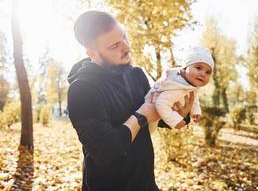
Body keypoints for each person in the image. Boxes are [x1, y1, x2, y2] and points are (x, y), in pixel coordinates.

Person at [67, 11, 194, 191]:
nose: (126, 47)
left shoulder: (136, 75)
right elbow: (105, 152)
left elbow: (155, 114)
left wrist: (176, 113)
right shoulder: (81, 89)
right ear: (92, 53)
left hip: (146, 184)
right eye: (114, 46)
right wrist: (141, 116)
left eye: (124, 36)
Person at [146, 46, 214, 133]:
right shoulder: (176, 87)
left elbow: (194, 99)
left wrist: (195, 111)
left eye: (208, 72)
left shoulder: (190, 86)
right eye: (198, 68)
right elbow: (161, 104)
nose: (203, 74)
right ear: (185, 68)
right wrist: (175, 120)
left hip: (158, 118)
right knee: (146, 135)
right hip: (145, 120)